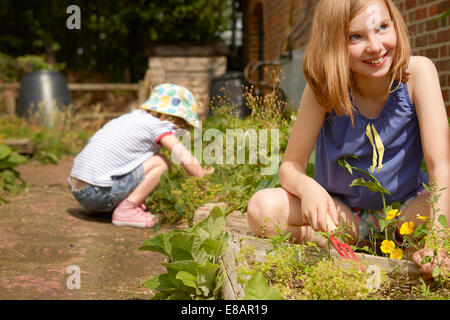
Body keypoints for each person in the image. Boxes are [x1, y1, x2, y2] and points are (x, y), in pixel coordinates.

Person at [247, 0, 449, 279]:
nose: (375, 46)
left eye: (382, 27)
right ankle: (354, 243)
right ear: (334, 43)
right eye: (356, 36)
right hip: (343, 215)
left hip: (407, 212)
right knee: (262, 209)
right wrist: (307, 188)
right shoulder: (324, 89)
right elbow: (290, 166)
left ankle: (410, 245)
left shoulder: (417, 73)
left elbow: (440, 165)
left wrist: (437, 239)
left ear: (395, 25)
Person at [68, 83, 207, 228]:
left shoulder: (129, 119)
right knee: (161, 162)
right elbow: (183, 156)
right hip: (97, 194)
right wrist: (204, 181)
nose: (181, 129)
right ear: (175, 117)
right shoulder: (158, 125)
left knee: (146, 160)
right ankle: (127, 210)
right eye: (182, 124)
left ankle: (107, 207)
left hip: (79, 191)